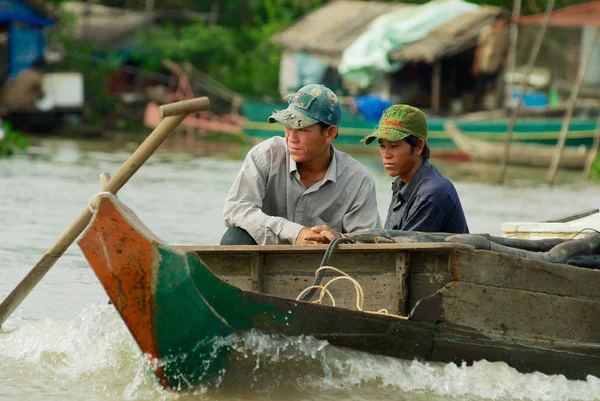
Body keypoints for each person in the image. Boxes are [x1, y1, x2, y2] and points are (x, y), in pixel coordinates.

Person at [221, 83, 382, 245]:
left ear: (329, 133)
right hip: (267, 260)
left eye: (302, 129)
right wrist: (295, 233)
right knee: (235, 237)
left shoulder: (358, 180)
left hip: (325, 265)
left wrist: (336, 240)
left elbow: (369, 243)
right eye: (288, 126)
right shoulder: (265, 156)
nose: (291, 138)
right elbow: (236, 210)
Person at [362, 104, 469, 233]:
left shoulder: (433, 193)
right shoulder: (401, 184)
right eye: (382, 146)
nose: (386, 155)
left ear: (418, 146)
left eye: (394, 146)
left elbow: (405, 249)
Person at [472, 16, 509, 110]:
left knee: (493, 85)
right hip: (485, 63)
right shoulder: (487, 31)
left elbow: (506, 49)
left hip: (497, 64)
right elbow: (480, 47)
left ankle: (491, 106)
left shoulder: (506, 33)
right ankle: (476, 105)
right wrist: (476, 63)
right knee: (480, 84)